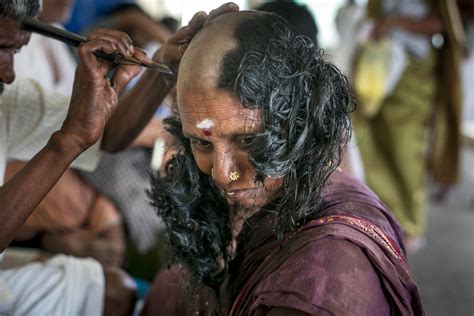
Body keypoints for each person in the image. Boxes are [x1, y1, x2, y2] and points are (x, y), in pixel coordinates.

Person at [142, 10, 423, 315]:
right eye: (201, 142)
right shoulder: (255, 204)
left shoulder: (328, 276)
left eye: (247, 139)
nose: (223, 174)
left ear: (297, 121)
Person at [0, 0, 239, 314]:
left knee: (115, 292)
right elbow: (75, 139)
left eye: (14, 53)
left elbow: (108, 137)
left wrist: (165, 66)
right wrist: (68, 142)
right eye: (3, 49)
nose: (9, 74)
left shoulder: (8, 102)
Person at [351, 0, 464, 250]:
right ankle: (386, 213)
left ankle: (410, 224)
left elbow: (442, 23)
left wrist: (392, 23)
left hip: (414, 72)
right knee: (367, 138)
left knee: (406, 150)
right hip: (381, 67)